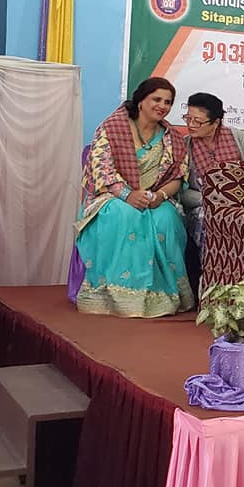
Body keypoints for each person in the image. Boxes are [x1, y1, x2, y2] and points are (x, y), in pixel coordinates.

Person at [74, 77, 193, 318]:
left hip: (154, 197)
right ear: (141, 101)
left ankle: (163, 297)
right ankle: (116, 296)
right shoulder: (112, 128)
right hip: (113, 196)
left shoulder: (172, 137)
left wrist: (159, 195)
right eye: (156, 99)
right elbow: (101, 171)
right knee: (125, 217)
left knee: (167, 219)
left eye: (168, 102)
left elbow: (178, 177)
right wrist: (128, 195)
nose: (162, 106)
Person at [179, 92, 244, 289]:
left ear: (215, 122)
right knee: (206, 219)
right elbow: (180, 191)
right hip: (203, 207)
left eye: (198, 121)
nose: (191, 125)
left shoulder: (238, 138)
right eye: (188, 118)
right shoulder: (185, 146)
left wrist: (236, 199)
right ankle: (211, 284)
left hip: (242, 205)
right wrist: (209, 199)